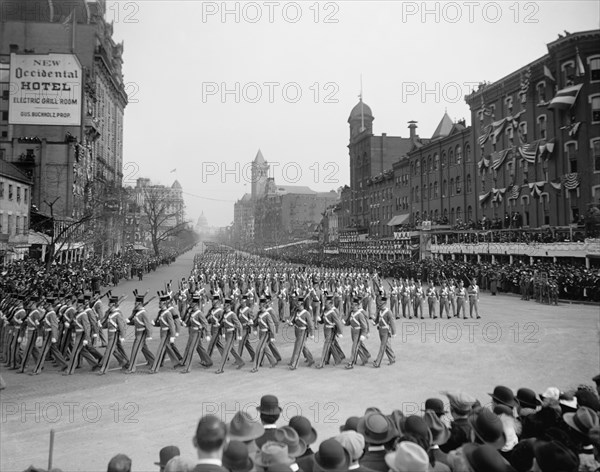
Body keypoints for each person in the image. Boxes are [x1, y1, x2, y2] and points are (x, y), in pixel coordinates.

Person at [32, 296, 68, 375]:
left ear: (50, 305)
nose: (45, 306)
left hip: (50, 335)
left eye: (46, 305)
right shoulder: (48, 313)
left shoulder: (52, 314)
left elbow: (54, 326)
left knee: (43, 352)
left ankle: (37, 369)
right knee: (55, 351)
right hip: (48, 333)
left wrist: (54, 337)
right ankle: (64, 364)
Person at [98, 295, 129, 375]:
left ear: (114, 305)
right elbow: (108, 324)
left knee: (109, 351)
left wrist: (123, 336)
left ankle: (103, 368)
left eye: (110, 305)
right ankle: (125, 362)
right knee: (115, 350)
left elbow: (121, 326)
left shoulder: (117, 314)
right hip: (110, 334)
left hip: (114, 334)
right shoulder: (111, 313)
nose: (109, 306)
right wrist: (101, 325)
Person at [149, 293, 180, 374]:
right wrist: (154, 323)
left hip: (166, 333)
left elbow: (172, 325)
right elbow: (161, 323)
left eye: (160, 303)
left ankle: (155, 368)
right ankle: (176, 363)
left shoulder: (168, 313)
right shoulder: (161, 312)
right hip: (162, 332)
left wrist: (173, 335)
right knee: (168, 348)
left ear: (164, 304)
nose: (159, 304)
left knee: (160, 349)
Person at [126, 291, 155, 374]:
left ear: (139, 303)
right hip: (137, 333)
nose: (134, 304)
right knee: (144, 349)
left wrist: (149, 335)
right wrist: (128, 321)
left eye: (136, 303)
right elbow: (136, 322)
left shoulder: (144, 313)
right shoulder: (137, 312)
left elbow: (148, 325)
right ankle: (154, 361)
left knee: (135, 350)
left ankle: (132, 368)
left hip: (141, 334)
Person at [216, 298, 244, 374]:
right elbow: (223, 324)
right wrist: (219, 325)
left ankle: (220, 368)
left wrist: (240, 335)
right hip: (227, 334)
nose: (223, 306)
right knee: (232, 350)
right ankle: (240, 362)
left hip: (231, 334)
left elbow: (239, 325)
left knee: (226, 351)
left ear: (228, 306)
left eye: (225, 305)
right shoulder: (224, 314)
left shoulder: (232, 314)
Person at [316, 295, 345, 369]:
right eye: (325, 303)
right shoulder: (325, 310)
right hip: (326, 329)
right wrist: (319, 320)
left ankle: (322, 363)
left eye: (327, 303)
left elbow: (338, 322)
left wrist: (339, 332)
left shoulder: (333, 311)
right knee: (332, 344)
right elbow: (323, 320)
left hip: (331, 329)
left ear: (331, 304)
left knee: (327, 345)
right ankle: (336, 357)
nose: (325, 304)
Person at [288, 296, 315, 370]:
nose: (297, 306)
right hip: (296, 330)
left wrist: (312, 334)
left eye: (299, 304)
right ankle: (311, 360)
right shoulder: (296, 312)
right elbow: (294, 321)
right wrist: (291, 323)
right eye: (297, 304)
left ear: (302, 305)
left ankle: (294, 364)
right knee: (302, 347)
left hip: (303, 331)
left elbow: (310, 324)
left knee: (298, 347)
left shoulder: (306, 313)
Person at [345, 297, 370, 369]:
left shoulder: (360, 314)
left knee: (354, 347)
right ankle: (365, 358)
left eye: (354, 305)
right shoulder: (352, 313)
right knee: (358, 346)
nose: (352, 306)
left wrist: (364, 334)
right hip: (352, 331)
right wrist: (345, 323)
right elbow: (350, 322)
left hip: (358, 332)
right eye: (352, 305)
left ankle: (351, 363)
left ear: (357, 306)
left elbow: (365, 325)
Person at [372, 295, 396, 368]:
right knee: (386, 346)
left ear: (385, 304)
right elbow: (378, 319)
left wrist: (394, 332)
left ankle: (377, 362)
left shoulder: (388, 312)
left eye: (381, 304)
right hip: (380, 330)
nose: (380, 305)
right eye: (379, 304)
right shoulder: (380, 311)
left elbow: (392, 323)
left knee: (382, 347)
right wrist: (374, 322)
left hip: (386, 331)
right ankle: (392, 358)